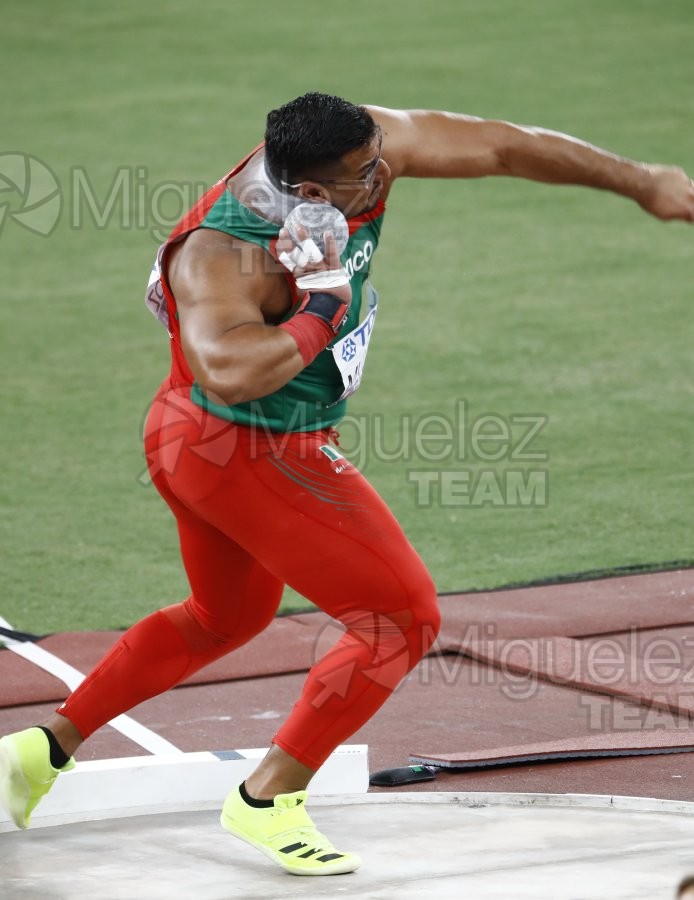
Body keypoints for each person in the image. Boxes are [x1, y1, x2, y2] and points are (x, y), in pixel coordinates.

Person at [1, 92, 692, 876]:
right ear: (316, 193)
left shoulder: (361, 148)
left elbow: (503, 145)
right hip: (244, 449)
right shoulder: (225, 250)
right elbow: (226, 371)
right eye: (369, 172)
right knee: (401, 617)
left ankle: (42, 748)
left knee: (224, 615)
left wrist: (642, 181)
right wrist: (322, 307)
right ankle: (268, 798)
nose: (388, 171)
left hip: (205, 440)